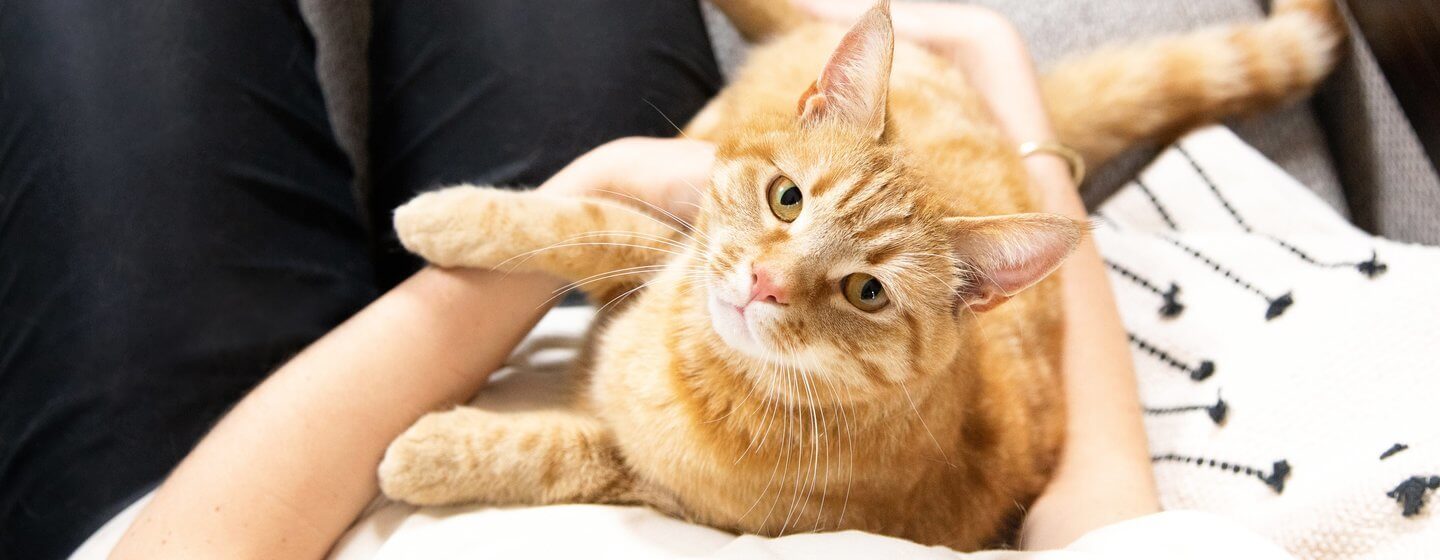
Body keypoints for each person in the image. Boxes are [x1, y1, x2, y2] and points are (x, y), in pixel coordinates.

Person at [0, 1, 1158, 558]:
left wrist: (578, 198)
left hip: (219, 483)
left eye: (855, 293)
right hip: (620, 299)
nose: (779, 281)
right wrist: (1010, 85)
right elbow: (1102, 490)